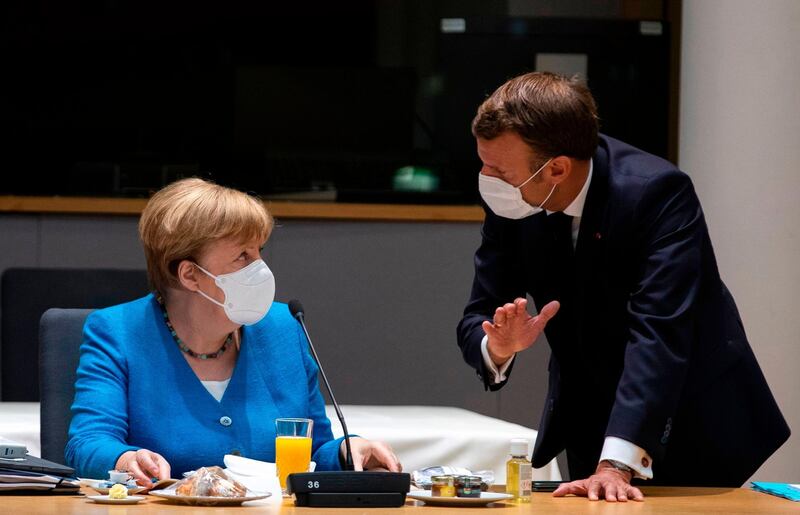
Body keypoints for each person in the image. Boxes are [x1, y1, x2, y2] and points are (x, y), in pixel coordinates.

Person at [457, 72, 789, 501]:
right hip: (591, 416)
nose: (486, 177)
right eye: (483, 162)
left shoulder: (657, 193)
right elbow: (479, 312)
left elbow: (659, 332)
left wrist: (616, 464)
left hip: (690, 418)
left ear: (556, 169)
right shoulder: (514, 195)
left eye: (498, 168)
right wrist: (499, 346)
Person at [66, 178, 401, 485]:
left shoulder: (285, 327)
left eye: (260, 252)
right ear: (190, 275)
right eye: (243, 256)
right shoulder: (117, 331)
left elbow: (314, 450)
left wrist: (350, 449)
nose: (261, 269)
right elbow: (88, 443)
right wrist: (125, 458)